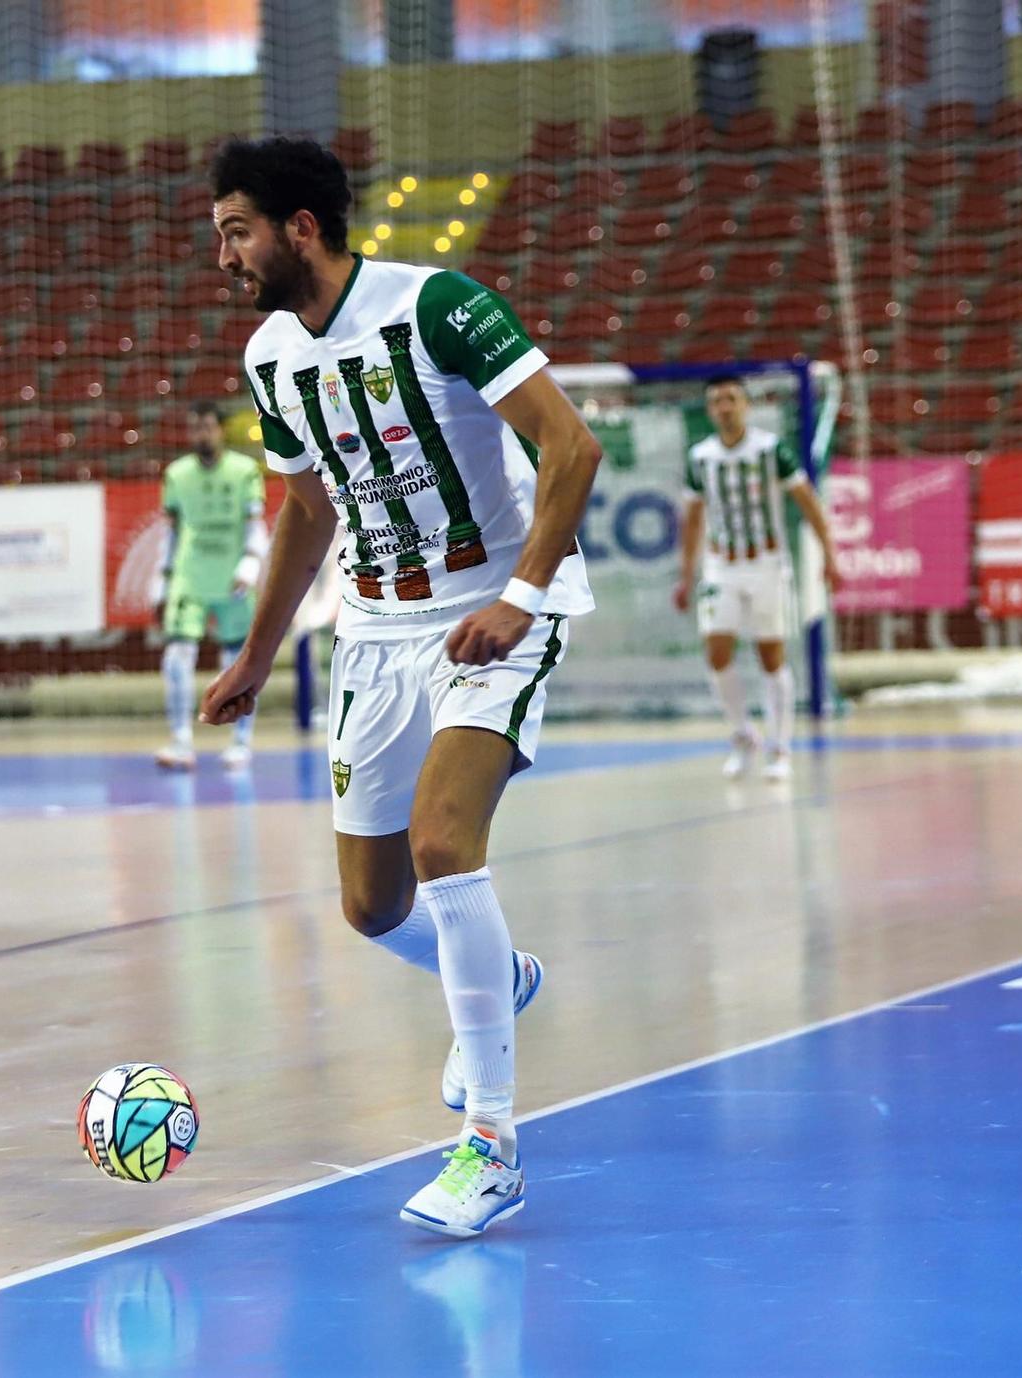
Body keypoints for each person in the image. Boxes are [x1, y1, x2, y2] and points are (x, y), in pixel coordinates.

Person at [199, 137, 602, 1238]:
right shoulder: (269, 355)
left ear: (299, 227)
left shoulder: (440, 309)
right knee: (372, 904)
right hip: (373, 632)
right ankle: (499, 974)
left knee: (440, 845)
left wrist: (519, 594)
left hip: (491, 613)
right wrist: (254, 653)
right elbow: (306, 513)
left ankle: (491, 1145)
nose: (221, 255)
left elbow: (571, 448)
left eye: (233, 230)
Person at [671, 374, 841, 781]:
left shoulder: (771, 450)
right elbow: (693, 519)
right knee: (716, 650)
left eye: (731, 399)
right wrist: (686, 574)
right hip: (721, 566)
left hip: (766, 564)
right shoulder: (701, 457)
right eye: (716, 401)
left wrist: (829, 556)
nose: (724, 407)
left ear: (746, 405)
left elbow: (809, 503)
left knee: (770, 656)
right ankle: (743, 733)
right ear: (710, 410)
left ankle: (780, 747)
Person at [152, 401, 267, 770]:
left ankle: (240, 743)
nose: (202, 434)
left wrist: (250, 564)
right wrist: (162, 580)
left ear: (221, 430)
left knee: (238, 660)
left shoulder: (245, 471)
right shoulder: (176, 474)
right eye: (195, 427)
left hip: (232, 577)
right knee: (176, 657)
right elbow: (171, 532)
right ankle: (181, 742)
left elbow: (255, 524)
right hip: (190, 576)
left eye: (208, 427)